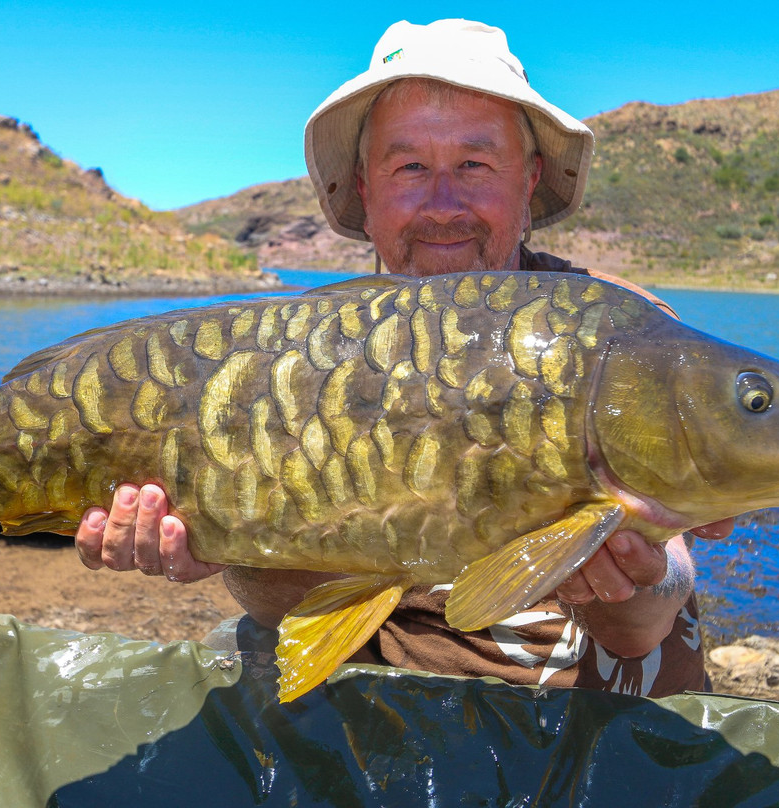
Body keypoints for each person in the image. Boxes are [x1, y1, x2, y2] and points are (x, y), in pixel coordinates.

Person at [74, 19, 733, 697]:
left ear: (529, 180)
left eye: (475, 165)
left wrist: (638, 575)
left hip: (577, 707)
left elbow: (641, 628)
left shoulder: (618, 331)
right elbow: (278, 606)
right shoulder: (300, 357)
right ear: (366, 188)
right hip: (373, 691)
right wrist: (213, 539)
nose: (443, 205)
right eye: (410, 166)